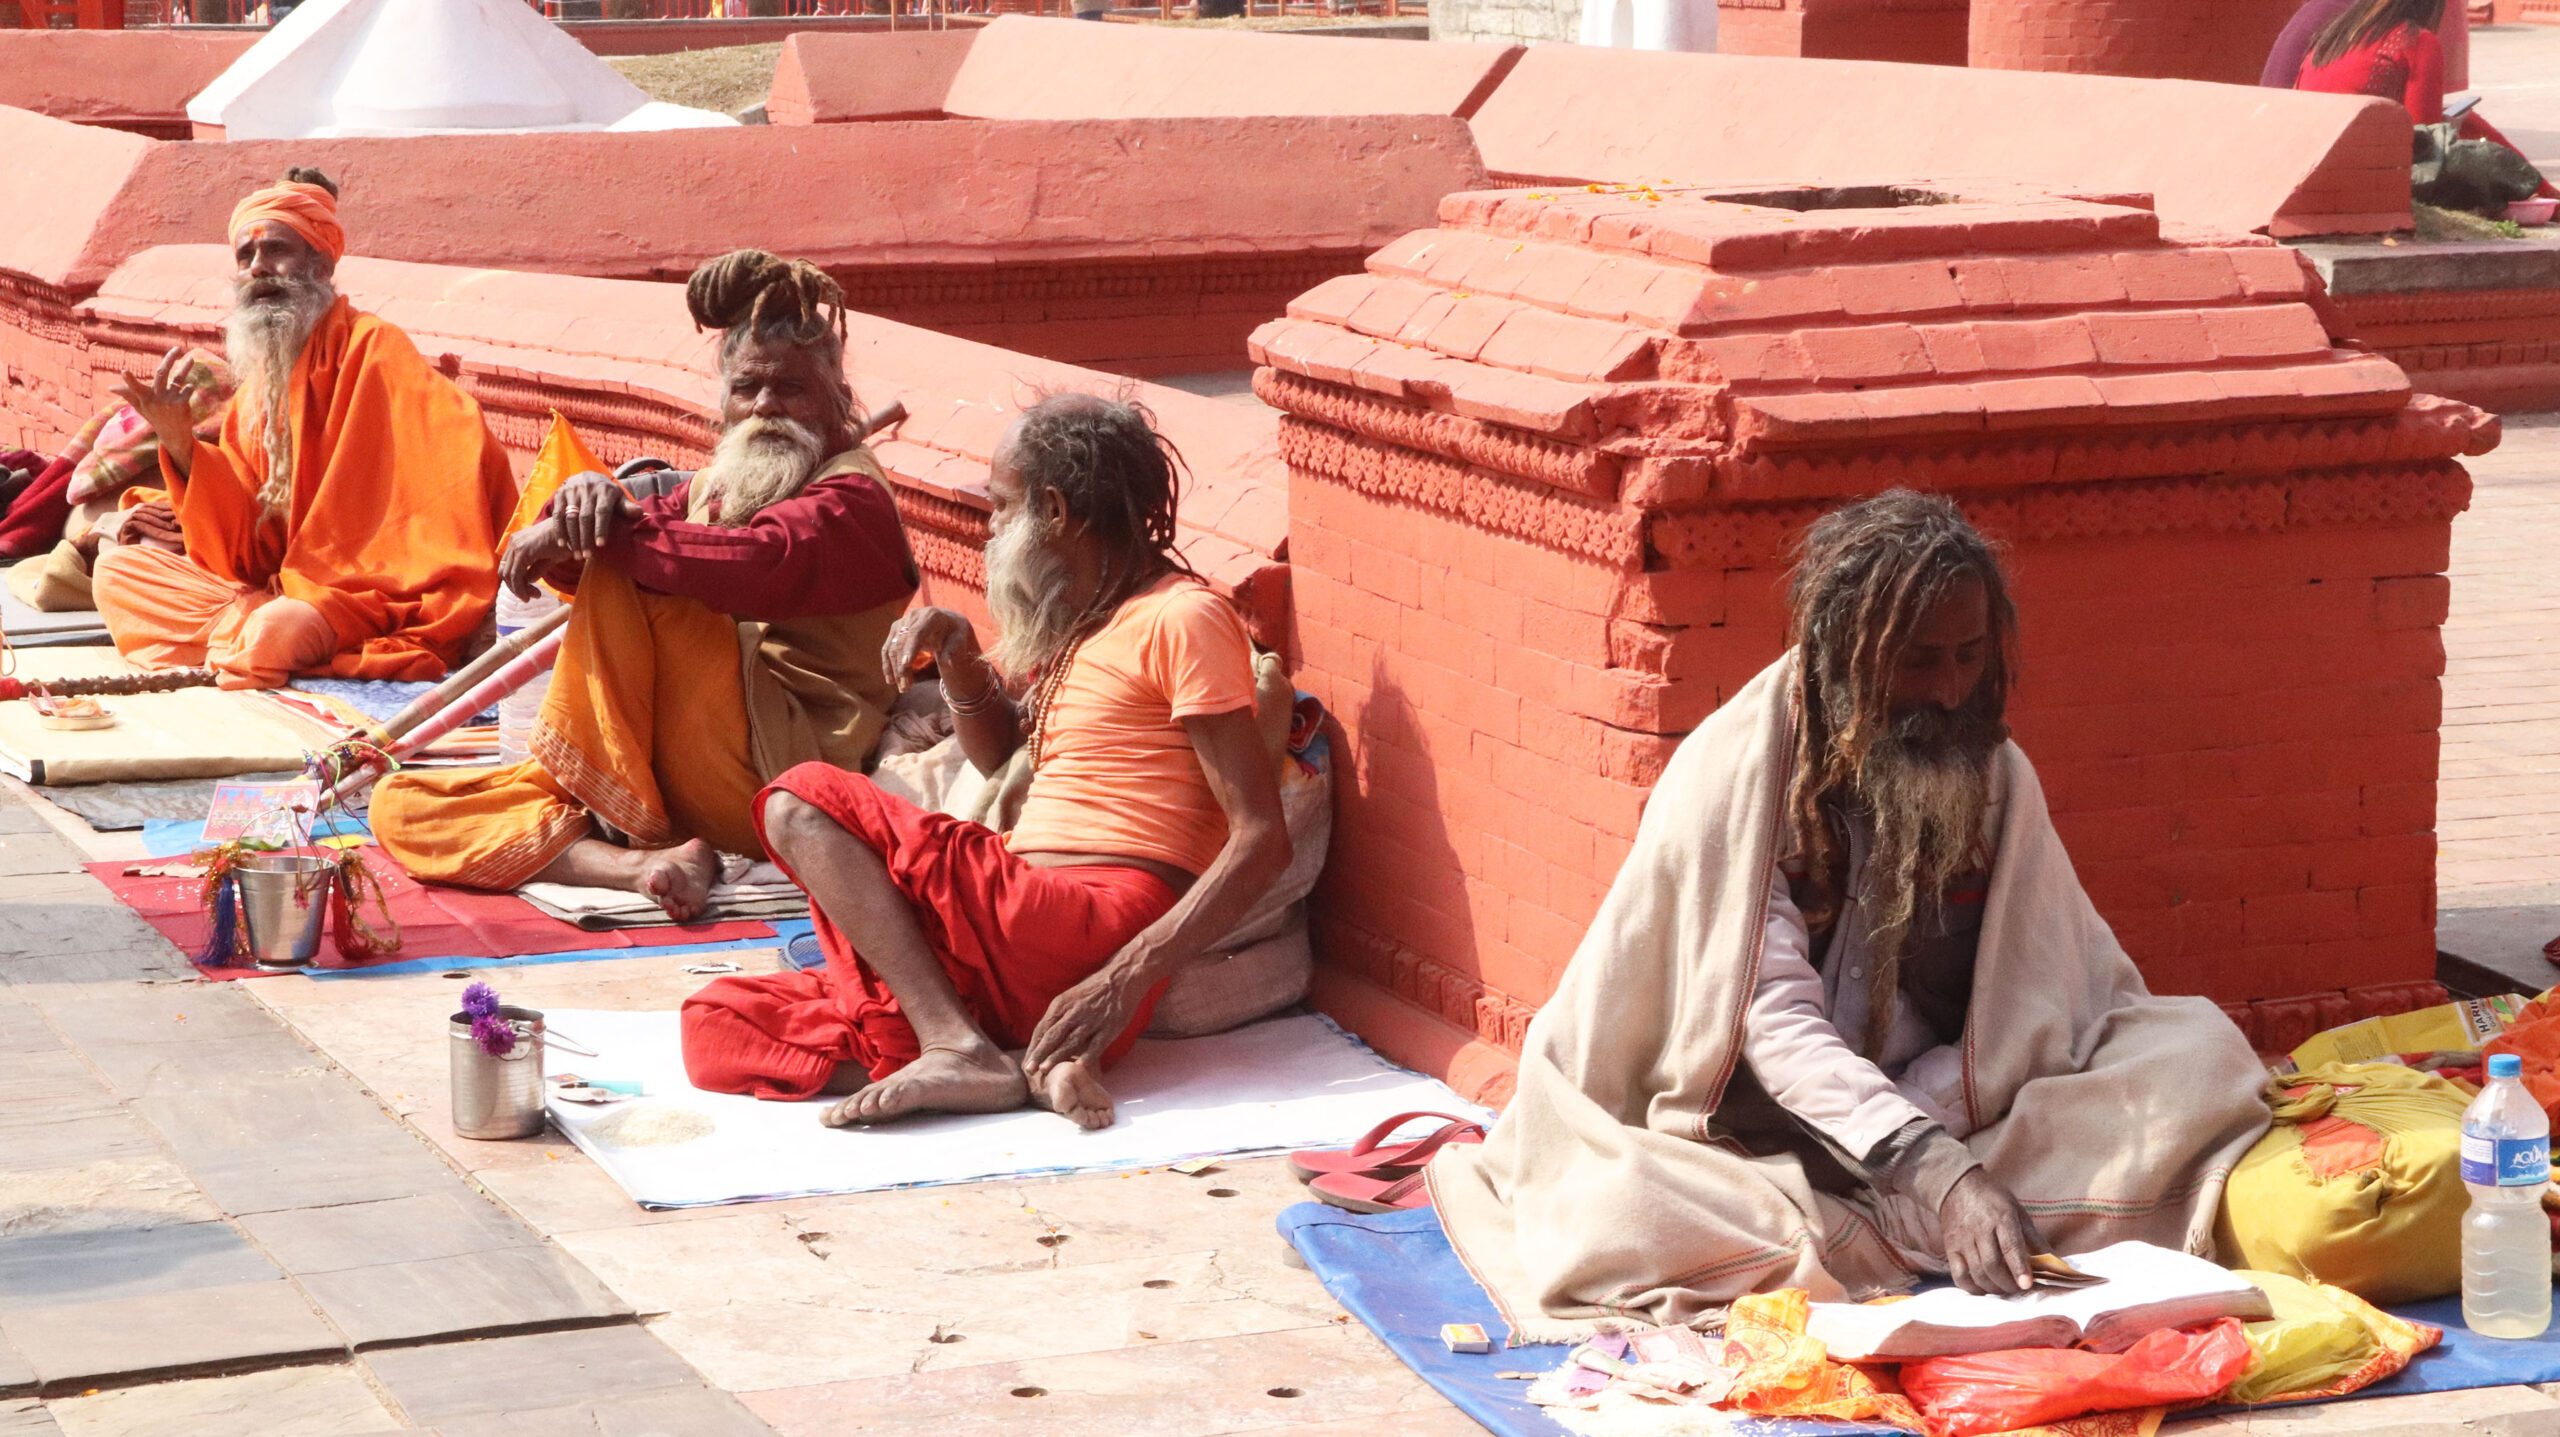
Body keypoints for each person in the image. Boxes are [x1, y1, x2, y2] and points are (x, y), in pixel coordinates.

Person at [1431, 492, 2272, 1338]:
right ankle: (1926, 1225)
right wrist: (1937, 1173)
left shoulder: (1993, 772)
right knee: (1620, 1213)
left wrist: (1923, 1134)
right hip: (1737, 1139)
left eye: (1969, 655)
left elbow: (2043, 996)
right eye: (1916, 662)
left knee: (2199, 1058)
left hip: (1950, 1116)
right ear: (1844, 654)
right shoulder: (1741, 775)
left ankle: (1903, 1229)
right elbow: (1773, 1024)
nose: (1948, 692)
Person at [678, 394, 1291, 1131]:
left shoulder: (1182, 617)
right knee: (716, 1023)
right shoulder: (1085, 620)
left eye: (1002, 505)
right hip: (1024, 961)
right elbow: (1002, 751)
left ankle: (952, 1043)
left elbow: (1262, 838)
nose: (990, 525)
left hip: (1088, 931)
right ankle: (1018, 1063)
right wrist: (963, 659)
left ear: (1057, 511)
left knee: (800, 799)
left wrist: (1122, 981)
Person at [371, 250, 920, 921]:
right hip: (678, 780)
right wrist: (578, 501)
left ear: (836, 397)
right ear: (723, 402)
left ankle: (612, 808)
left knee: (631, 561)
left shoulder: (854, 497)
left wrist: (593, 525)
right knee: (399, 806)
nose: (766, 406)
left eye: (791, 389)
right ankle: (645, 861)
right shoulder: (722, 485)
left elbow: (757, 561)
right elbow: (585, 560)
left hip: (779, 779)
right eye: (748, 389)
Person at [93, 169, 514, 690]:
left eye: (276, 251)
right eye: (245, 258)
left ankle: (252, 643)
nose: (258, 269)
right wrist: (179, 442)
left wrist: (326, 584)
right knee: (116, 574)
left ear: (322, 261)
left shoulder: (376, 351)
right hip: (280, 592)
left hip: (368, 597)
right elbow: (242, 549)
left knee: (278, 627)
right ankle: (250, 640)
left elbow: (455, 471)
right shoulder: (260, 388)